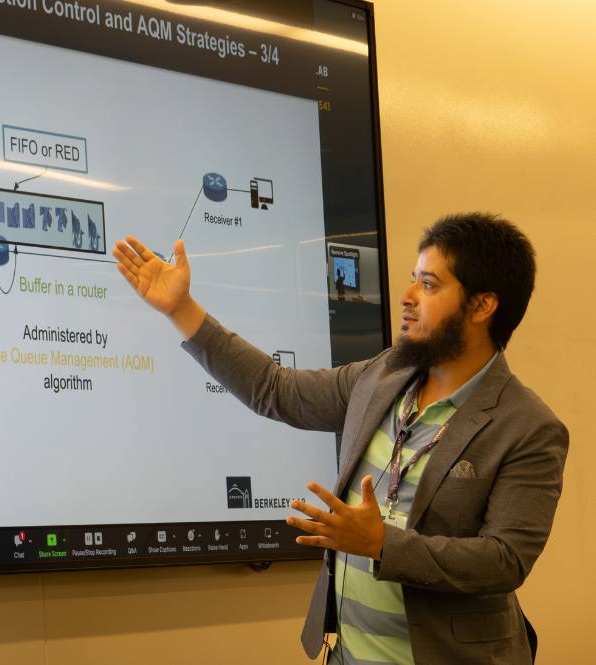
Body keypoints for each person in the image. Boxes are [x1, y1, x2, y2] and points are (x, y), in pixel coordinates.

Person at [112, 213, 568, 665]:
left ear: (482, 306)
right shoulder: (383, 376)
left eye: (429, 285)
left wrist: (383, 544)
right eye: (414, 280)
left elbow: (504, 560)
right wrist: (181, 310)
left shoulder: (527, 427)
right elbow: (276, 389)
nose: (407, 297)